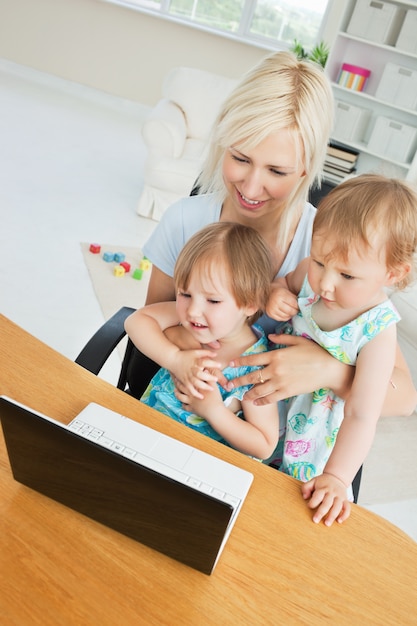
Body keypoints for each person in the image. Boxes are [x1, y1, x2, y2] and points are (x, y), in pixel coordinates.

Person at [127, 50, 416, 435]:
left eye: (277, 170)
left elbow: (405, 397)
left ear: (306, 167)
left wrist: (328, 371)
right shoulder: (185, 220)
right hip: (180, 414)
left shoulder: (330, 253)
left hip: (269, 448)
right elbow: (156, 337)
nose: (250, 187)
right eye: (240, 158)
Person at [269, 174, 417, 525]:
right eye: (321, 261)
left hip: (312, 447)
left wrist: (336, 477)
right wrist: (277, 294)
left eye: (347, 276)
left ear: (393, 274)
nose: (326, 283)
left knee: (289, 518)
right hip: (265, 411)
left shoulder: (378, 331)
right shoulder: (309, 275)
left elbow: (362, 414)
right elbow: (283, 283)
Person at [125, 222, 279, 460]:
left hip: (194, 466)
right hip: (140, 437)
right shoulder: (190, 318)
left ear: (249, 303)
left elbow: (264, 444)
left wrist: (214, 411)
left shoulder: (255, 366)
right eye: (185, 294)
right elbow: (135, 321)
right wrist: (175, 359)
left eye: (213, 301)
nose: (193, 310)